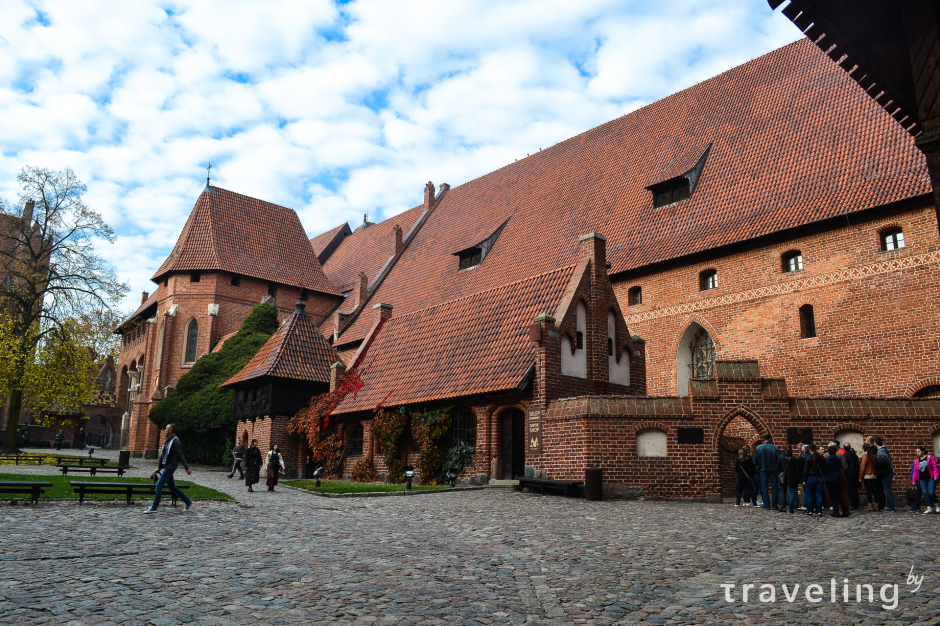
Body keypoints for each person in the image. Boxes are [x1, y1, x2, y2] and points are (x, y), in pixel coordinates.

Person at [144, 424, 193, 513]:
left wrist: (187, 468)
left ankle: (154, 507)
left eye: (166, 429)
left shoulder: (175, 441)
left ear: (170, 430)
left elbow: (181, 455)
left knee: (159, 484)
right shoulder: (168, 440)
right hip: (167, 465)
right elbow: (163, 455)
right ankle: (188, 501)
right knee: (171, 487)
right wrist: (159, 468)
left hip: (171, 466)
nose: (164, 430)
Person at [753, 434, 780, 510]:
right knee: (774, 487)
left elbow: (754, 460)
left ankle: (767, 505)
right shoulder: (774, 448)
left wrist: (758, 468)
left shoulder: (758, 448)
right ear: (769, 439)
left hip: (762, 469)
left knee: (764, 487)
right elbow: (778, 459)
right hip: (773, 469)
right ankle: (774, 505)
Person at [911, 444, 939, 514]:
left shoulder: (930, 458)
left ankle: (936, 504)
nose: (918, 453)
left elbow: (935, 467)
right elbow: (915, 471)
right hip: (922, 478)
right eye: (917, 452)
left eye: (919, 451)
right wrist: (914, 480)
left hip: (930, 478)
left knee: (931, 492)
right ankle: (929, 507)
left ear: (923, 451)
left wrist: (936, 476)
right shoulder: (917, 460)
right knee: (925, 493)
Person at [825, 444, 850, 517]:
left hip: (830, 479)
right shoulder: (838, 459)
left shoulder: (827, 460)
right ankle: (844, 511)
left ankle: (836, 511)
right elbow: (844, 467)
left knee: (833, 497)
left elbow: (826, 469)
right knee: (839, 496)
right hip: (838, 478)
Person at [802, 444, 826, 517]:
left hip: (810, 477)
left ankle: (810, 510)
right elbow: (825, 468)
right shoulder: (821, 458)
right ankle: (819, 511)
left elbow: (806, 469)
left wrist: (804, 479)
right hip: (819, 477)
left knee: (809, 495)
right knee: (819, 495)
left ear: (810, 449)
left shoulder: (809, 458)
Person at [874, 436, 896, 512]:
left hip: (886, 472)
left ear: (876, 443)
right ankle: (890, 506)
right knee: (888, 489)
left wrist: (878, 463)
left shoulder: (880, 451)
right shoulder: (884, 449)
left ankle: (891, 506)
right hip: (888, 472)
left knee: (888, 490)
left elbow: (884, 461)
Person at [860, 443, 884, 511]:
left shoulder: (865, 456)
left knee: (869, 492)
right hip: (874, 475)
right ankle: (876, 506)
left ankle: (870, 506)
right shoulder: (874, 456)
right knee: (875, 491)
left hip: (867, 475)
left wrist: (861, 477)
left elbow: (863, 468)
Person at [781, 448, 801, 513]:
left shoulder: (781, 457)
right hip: (792, 476)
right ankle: (791, 507)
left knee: (783, 491)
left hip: (784, 476)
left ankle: (783, 507)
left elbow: (778, 467)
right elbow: (797, 468)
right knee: (792, 492)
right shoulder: (793, 457)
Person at [843, 443, 860, 510]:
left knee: (850, 490)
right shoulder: (854, 455)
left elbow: (845, 466)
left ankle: (853, 504)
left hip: (849, 475)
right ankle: (855, 504)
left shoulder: (845, 455)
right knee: (855, 490)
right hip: (855, 474)